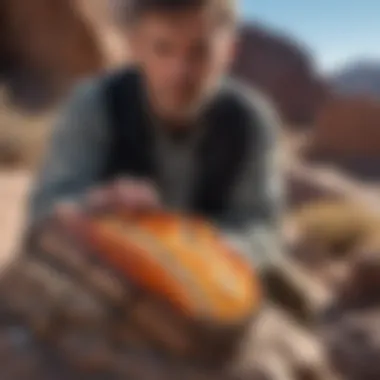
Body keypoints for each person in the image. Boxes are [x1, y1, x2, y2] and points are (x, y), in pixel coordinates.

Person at [28, 0, 283, 268]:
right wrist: (95, 204)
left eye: (200, 52)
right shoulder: (95, 103)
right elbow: (45, 207)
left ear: (229, 52)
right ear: (135, 46)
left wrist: (213, 247)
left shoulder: (251, 121)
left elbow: (262, 228)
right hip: (104, 269)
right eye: (163, 49)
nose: (179, 71)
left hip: (206, 282)